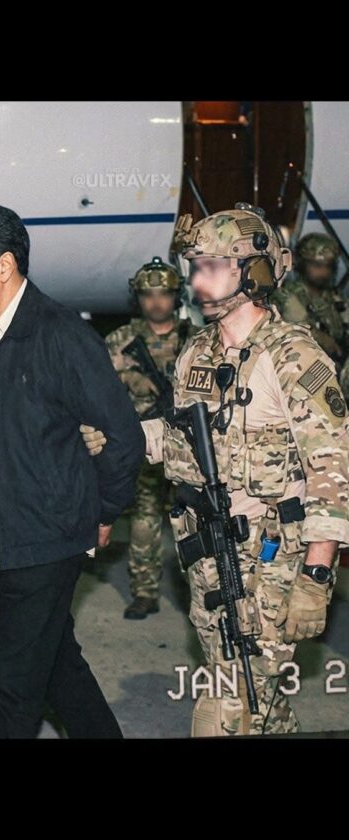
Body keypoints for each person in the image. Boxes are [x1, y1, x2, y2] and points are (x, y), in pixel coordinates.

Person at [85, 203, 349, 735]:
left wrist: (317, 575)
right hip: (207, 556)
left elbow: (334, 469)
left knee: (226, 711)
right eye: (195, 268)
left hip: (272, 563)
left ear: (253, 272)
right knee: (260, 705)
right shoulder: (196, 352)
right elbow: (180, 435)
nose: (196, 281)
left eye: (210, 267)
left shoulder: (294, 357)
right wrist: (121, 437)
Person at [0, 204, 145, 738]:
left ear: (4, 265)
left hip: (44, 540)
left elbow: (124, 435)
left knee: (10, 687)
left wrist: (103, 511)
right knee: (55, 666)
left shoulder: (58, 333)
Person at [104, 257, 198, 619]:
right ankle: (144, 591)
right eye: (147, 295)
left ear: (176, 296)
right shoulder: (121, 340)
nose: (156, 302)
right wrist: (127, 379)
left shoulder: (197, 339)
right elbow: (95, 386)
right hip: (143, 445)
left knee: (194, 520)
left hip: (191, 446)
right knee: (144, 520)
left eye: (164, 294)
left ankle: (198, 590)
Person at [272, 232, 349, 368]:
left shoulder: (335, 298)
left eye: (328, 266)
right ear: (302, 264)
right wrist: (320, 338)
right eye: (317, 265)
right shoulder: (286, 297)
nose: (324, 272)